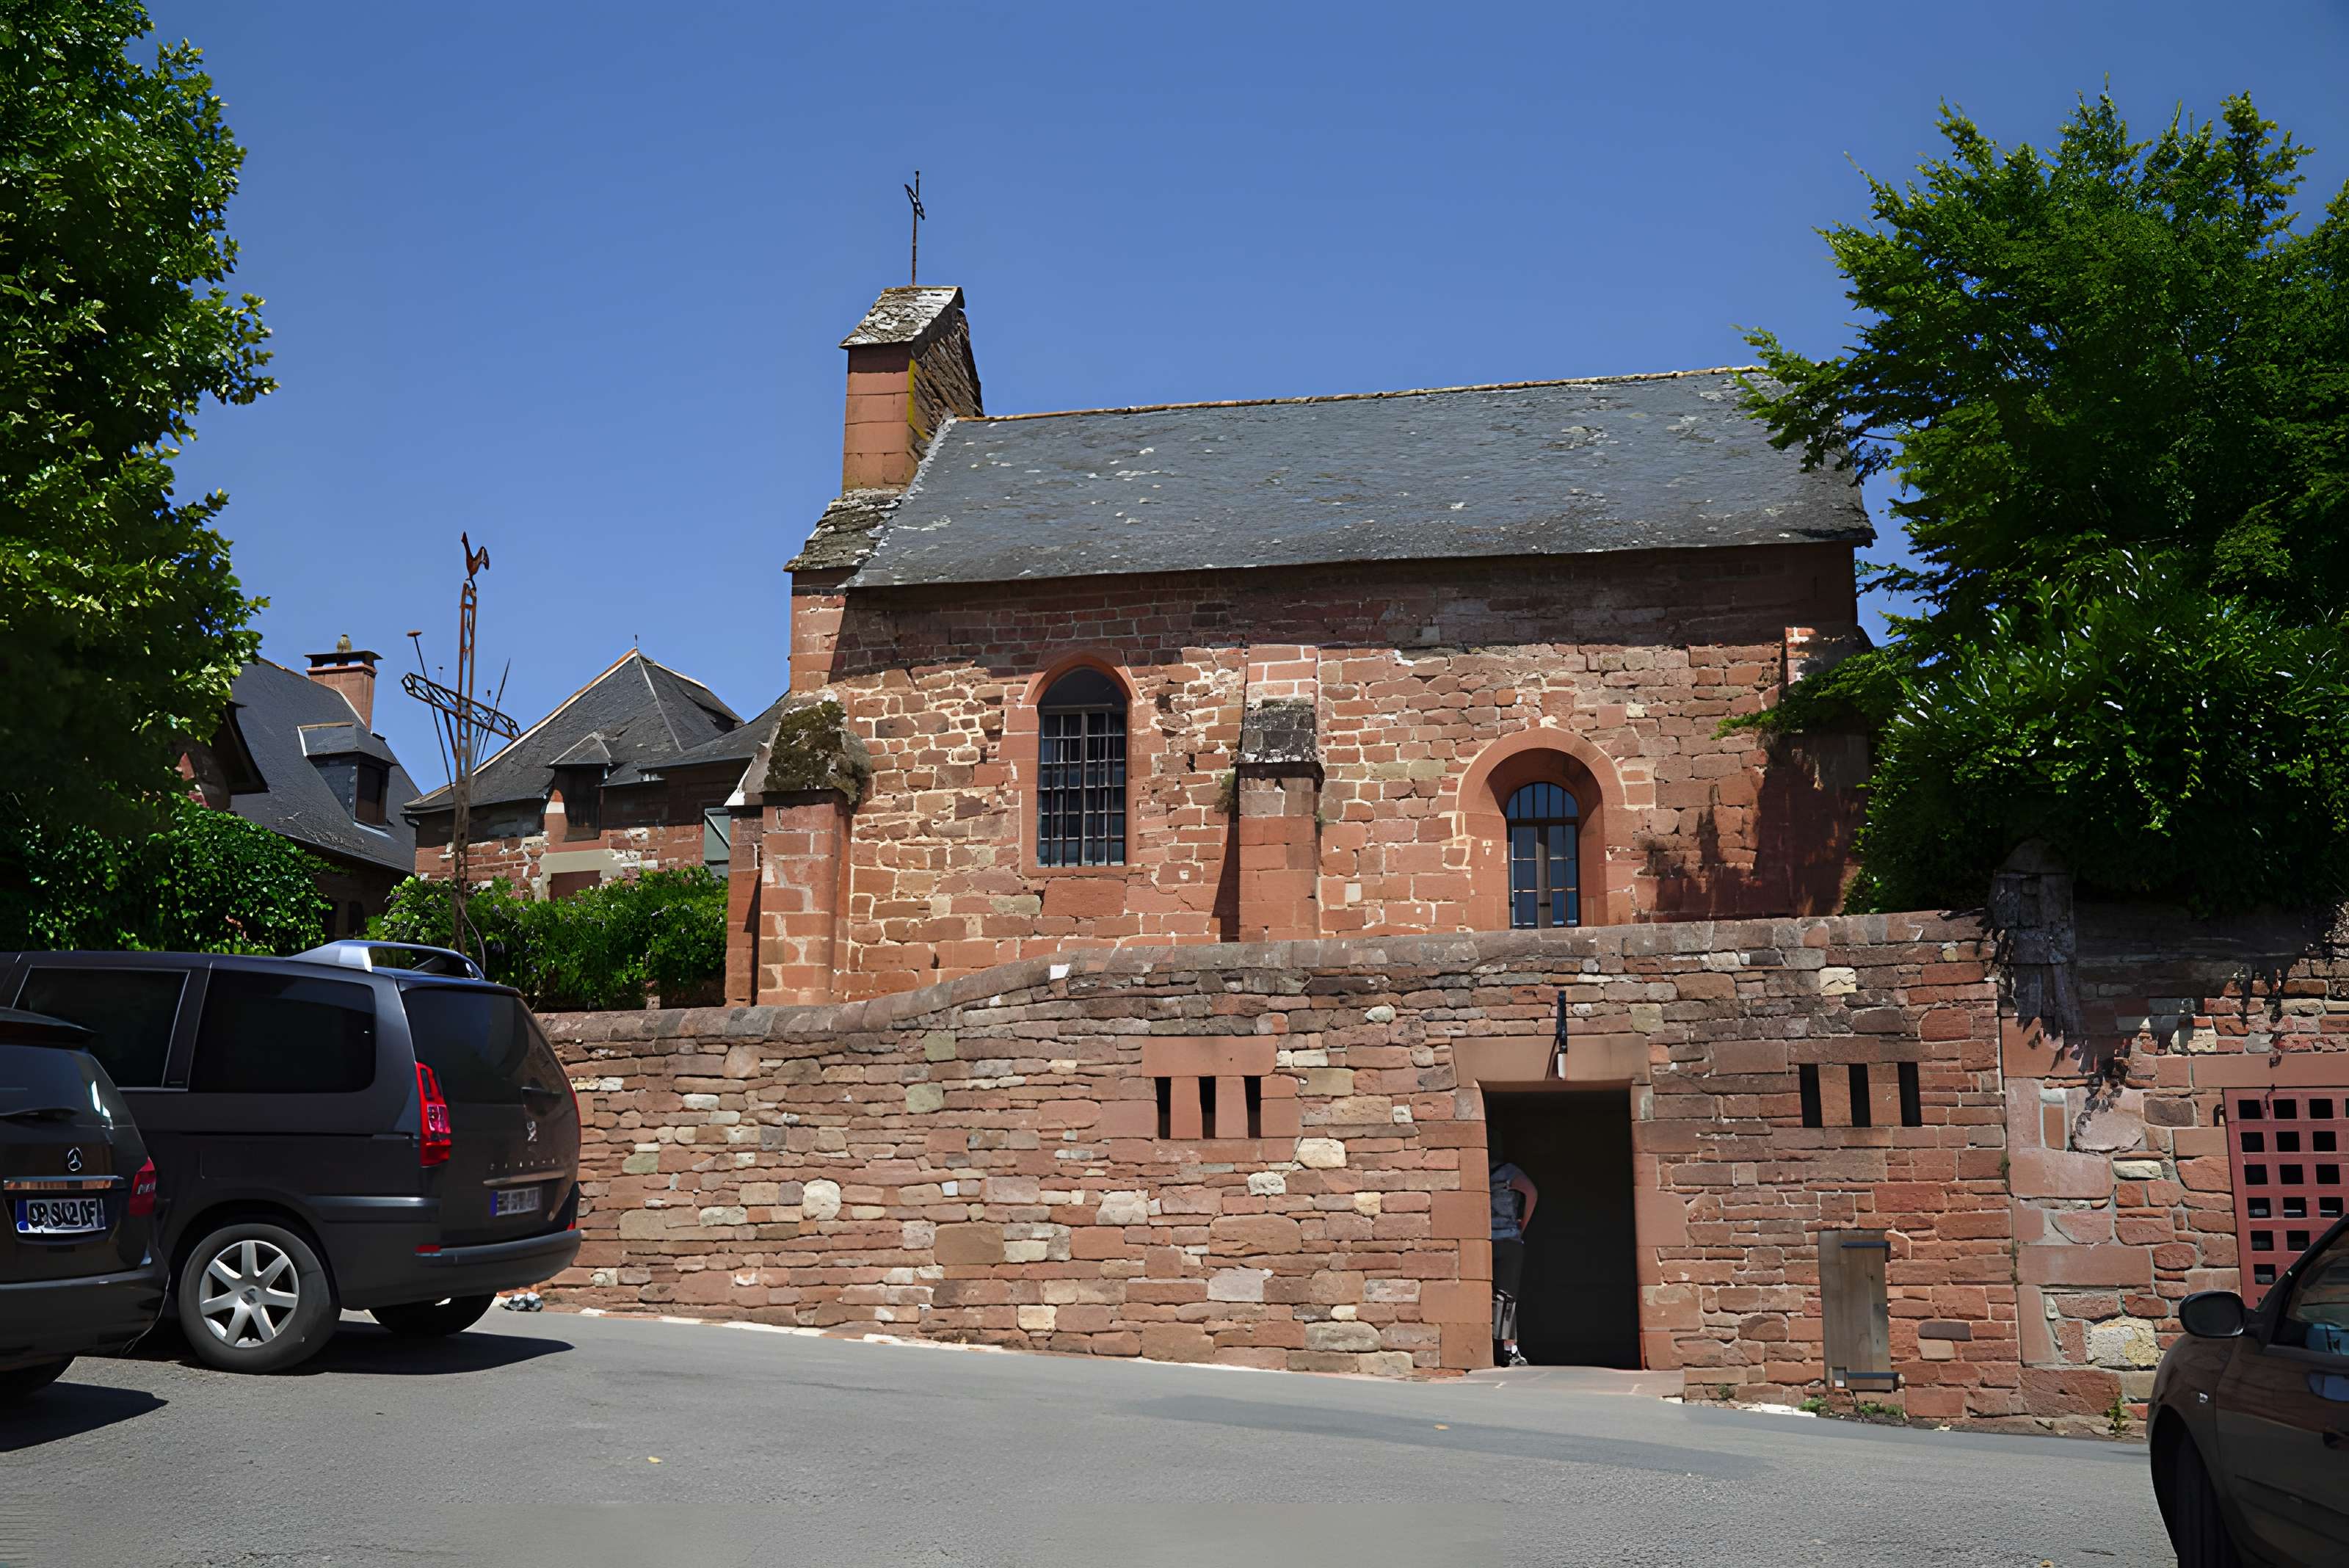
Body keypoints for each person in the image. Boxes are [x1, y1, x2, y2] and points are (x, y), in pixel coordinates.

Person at [1489, 1150, 1539, 1367]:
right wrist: (1522, 1225)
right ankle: (1508, 1349)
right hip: (1508, 1238)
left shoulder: (1478, 1172)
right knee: (1507, 1296)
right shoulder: (1508, 1171)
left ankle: (1503, 1348)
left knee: (1498, 1297)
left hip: (1486, 1240)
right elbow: (1532, 1192)